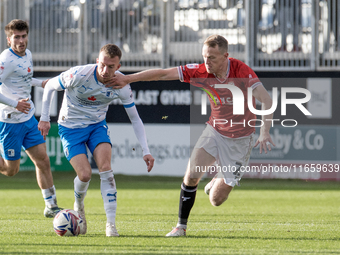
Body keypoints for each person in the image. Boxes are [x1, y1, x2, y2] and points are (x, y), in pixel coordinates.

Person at [109, 34, 275, 237]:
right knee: (191, 175)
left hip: (241, 139)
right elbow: (162, 74)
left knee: (216, 200)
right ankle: (181, 226)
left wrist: (264, 132)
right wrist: (128, 78)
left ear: (225, 56)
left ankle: (217, 179)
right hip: (215, 131)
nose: (207, 62)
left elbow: (266, 100)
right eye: (205, 56)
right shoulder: (200, 71)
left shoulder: (242, 72)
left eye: (212, 58)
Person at [38, 44, 155, 237]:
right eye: (102, 65)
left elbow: (135, 118)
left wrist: (145, 150)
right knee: (84, 175)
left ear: (118, 67)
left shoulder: (122, 85)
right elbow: (50, 86)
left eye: (111, 66)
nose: (105, 70)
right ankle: (79, 204)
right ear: (96, 61)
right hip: (70, 128)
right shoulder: (78, 74)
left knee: (106, 169)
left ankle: (111, 225)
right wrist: (44, 118)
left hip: (96, 127)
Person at [0, 19, 62, 218]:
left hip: (27, 119)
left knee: (43, 159)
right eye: (16, 37)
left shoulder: (28, 55)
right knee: (11, 171)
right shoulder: (5, 60)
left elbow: (24, 78)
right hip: (9, 121)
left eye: (24, 36)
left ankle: (51, 205)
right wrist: (14, 103)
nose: (21, 41)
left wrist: (41, 82)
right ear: (9, 39)